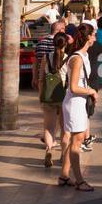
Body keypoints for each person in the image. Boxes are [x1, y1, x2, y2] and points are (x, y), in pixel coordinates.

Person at [59, 24, 99, 191]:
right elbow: (73, 87)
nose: (95, 37)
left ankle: (64, 175)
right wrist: (91, 91)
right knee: (77, 141)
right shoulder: (76, 58)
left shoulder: (84, 55)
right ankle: (79, 180)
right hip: (74, 101)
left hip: (79, 101)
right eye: (94, 34)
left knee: (76, 139)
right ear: (88, 37)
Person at [36, 31, 70, 169]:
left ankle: (49, 150)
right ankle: (63, 155)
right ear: (65, 44)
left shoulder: (46, 57)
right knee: (64, 128)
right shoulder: (68, 58)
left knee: (49, 127)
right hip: (63, 96)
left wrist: (40, 96)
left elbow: (41, 79)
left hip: (48, 96)